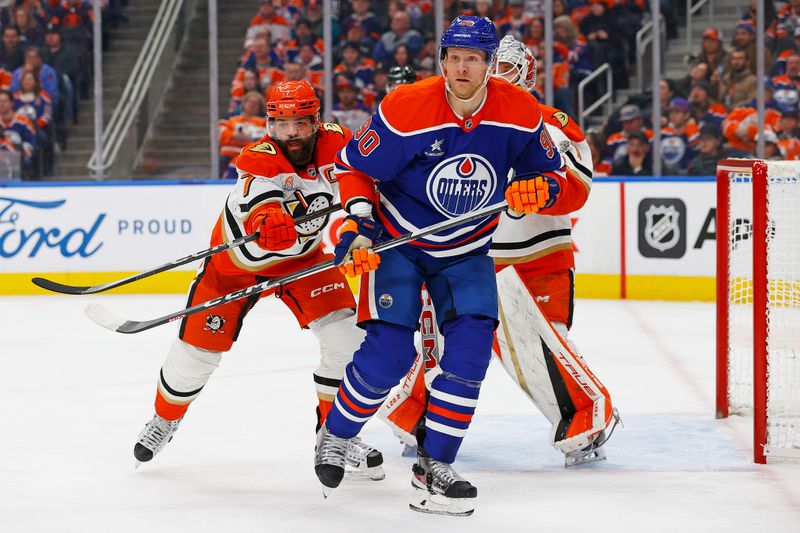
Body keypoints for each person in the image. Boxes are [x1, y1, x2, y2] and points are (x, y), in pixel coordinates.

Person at [315, 16, 567, 516]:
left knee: (470, 353)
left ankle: (436, 466)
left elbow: (549, 174)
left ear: (490, 63)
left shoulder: (519, 110)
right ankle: (335, 435)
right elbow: (354, 170)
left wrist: (540, 188)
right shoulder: (406, 107)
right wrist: (358, 226)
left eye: (473, 58)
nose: (462, 67)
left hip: (468, 248)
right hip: (398, 243)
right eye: (454, 57)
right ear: (443, 60)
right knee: (387, 355)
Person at [380, 34, 616, 469]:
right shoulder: (452, 117)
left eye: (508, 68)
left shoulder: (545, 121)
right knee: (444, 345)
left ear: (527, 74)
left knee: (536, 342)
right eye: (496, 66)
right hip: (464, 255)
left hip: (534, 259)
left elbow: (577, 186)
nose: (499, 76)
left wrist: (544, 190)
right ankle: (419, 420)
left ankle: (586, 420)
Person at [132, 80, 384, 480]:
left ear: (316, 121)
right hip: (233, 269)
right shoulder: (257, 158)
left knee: (347, 341)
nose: (291, 134)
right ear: (269, 124)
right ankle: (165, 419)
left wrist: (361, 217)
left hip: (303, 262)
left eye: (300, 124)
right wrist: (267, 220)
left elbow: (359, 179)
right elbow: (259, 199)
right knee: (194, 359)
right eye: (281, 125)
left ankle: (334, 435)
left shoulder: (336, 142)